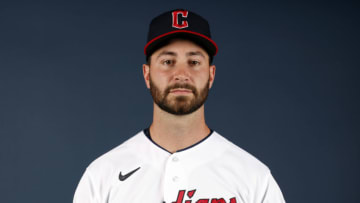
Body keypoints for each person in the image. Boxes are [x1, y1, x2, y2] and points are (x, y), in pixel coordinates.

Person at [73, 9, 286, 203]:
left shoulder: (254, 178)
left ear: (211, 75)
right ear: (147, 75)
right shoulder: (102, 176)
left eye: (194, 62)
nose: (181, 75)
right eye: (167, 62)